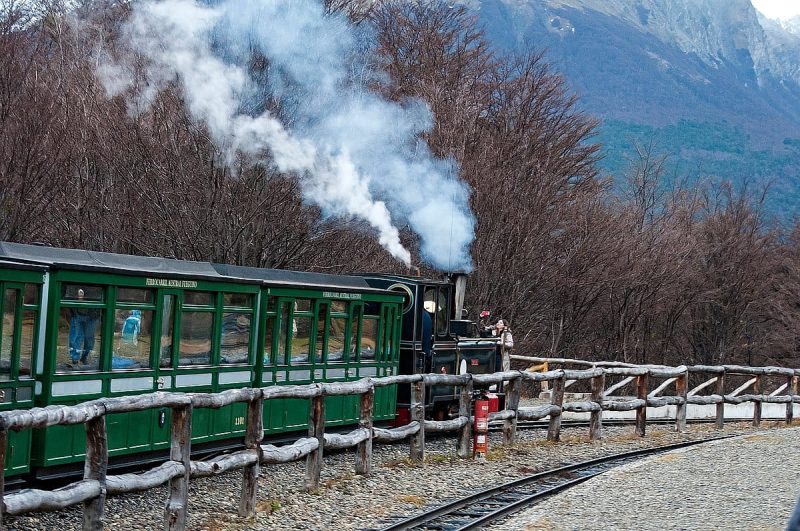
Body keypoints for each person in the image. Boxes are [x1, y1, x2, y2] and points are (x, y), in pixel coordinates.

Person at [68, 289, 99, 365]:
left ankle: (84, 357)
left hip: (91, 314)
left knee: (89, 338)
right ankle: (75, 360)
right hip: (76, 312)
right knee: (76, 337)